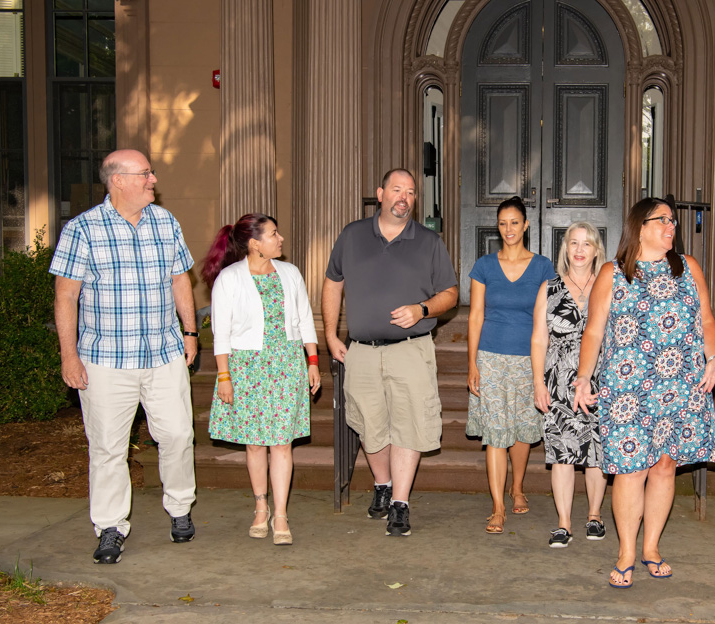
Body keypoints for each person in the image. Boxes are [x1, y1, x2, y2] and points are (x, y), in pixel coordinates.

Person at [50, 149, 198, 563]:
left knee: (177, 435)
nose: (153, 179)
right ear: (118, 181)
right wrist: (69, 355)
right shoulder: (82, 229)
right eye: (145, 173)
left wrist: (190, 332)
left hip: (164, 353)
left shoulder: (165, 222)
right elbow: (66, 297)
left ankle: (180, 507)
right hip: (104, 360)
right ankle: (110, 527)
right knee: (109, 448)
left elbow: (179, 279)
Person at [575, 198, 715, 588]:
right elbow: (593, 331)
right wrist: (582, 378)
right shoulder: (612, 274)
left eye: (673, 221)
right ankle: (627, 550)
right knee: (630, 469)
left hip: (680, 384)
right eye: (663, 220)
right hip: (627, 386)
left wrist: (713, 355)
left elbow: (707, 319)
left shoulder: (688, 268)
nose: (672, 226)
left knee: (664, 466)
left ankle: (651, 547)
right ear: (640, 226)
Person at [322, 168, 459, 537]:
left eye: (411, 192)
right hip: (361, 352)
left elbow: (450, 293)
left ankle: (400, 502)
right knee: (369, 424)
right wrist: (330, 335)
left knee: (409, 424)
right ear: (380, 193)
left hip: (410, 351)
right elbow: (333, 283)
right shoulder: (352, 236)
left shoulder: (429, 242)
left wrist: (422, 309)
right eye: (397, 190)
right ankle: (382, 484)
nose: (404, 197)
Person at [203, 214, 321, 545]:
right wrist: (224, 377)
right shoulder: (229, 278)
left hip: (285, 364)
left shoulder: (290, 273)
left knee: (282, 442)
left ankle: (281, 514)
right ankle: (260, 507)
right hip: (246, 366)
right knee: (254, 443)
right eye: (273, 234)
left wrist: (312, 361)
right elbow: (220, 332)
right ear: (255, 243)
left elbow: (304, 320)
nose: (280, 238)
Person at [468, 196, 556, 534]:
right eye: (503, 223)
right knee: (495, 433)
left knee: (521, 431)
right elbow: (475, 316)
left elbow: (550, 316)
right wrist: (472, 363)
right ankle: (498, 506)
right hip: (490, 357)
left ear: (526, 225)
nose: (508, 230)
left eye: (514, 223)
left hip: (529, 360)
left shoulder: (543, 267)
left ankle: (517, 487)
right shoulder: (484, 266)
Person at [531, 222, 607, 548]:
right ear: (565, 248)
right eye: (573, 243)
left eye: (586, 244)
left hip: (601, 379)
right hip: (559, 379)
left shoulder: (608, 285)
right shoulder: (549, 287)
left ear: (595, 250)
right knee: (562, 452)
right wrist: (538, 382)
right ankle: (563, 523)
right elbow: (538, 339)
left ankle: (594, 515)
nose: (579, 250)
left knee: (596, 452)